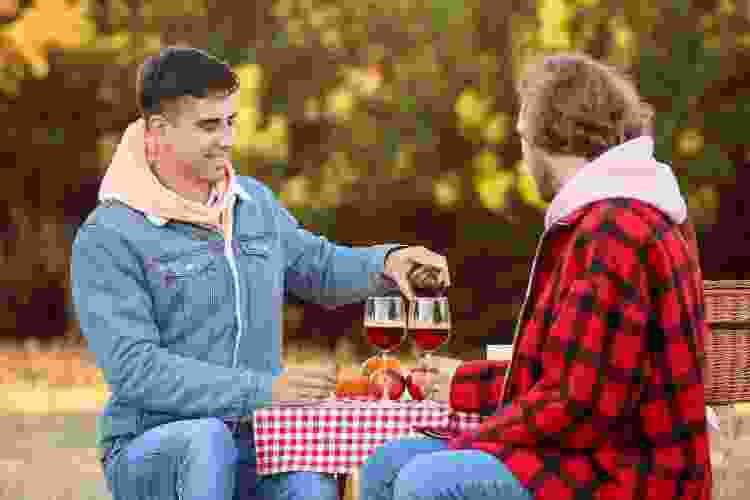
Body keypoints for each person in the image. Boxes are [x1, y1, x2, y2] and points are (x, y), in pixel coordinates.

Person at [70, 46, 450, 500]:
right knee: (206, 441)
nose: (227, 140)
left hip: (261, 437)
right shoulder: (111, 234)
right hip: (155, 445)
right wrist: (264, 390)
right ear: (158, 131)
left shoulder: (252, 204)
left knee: (311, 474)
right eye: (209, 126)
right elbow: (137, 370)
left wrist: (388, 262)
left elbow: (320, 267)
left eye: (230, 122)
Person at [359, 52, 712, 500]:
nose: (521, 154)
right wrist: (464, 384)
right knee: (386, 464)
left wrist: (473, 439)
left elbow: (576, 406)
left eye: (523, 138)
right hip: (596, 455)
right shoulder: (613, 214)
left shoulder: (612, 232)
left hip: (625, 477)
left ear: (552, 137)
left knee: (424, 480)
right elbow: (561, 376)